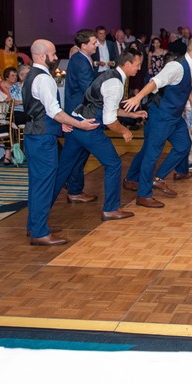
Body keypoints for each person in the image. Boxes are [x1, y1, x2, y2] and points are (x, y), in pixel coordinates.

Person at [22, 39, 98, 245]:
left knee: (37, 184)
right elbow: (54, 110)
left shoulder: (31, 76)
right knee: (43, 185)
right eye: (53, 54)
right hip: (42, 139)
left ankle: (35, 225)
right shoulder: (44, 79)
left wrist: (59, 125)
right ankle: (39, 232)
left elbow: (39, 110)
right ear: (41, 56)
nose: (56, 58)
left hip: (35, 134)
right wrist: (78, 124)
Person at [122, 37, 192, 207]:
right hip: (161, 115)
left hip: (174, 116)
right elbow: (155, 82)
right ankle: (143, 195)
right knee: (152, 153)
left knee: (183, 145)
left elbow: (185, 86)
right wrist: (138, 97)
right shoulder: (175, 67)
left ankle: (156, 178)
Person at [58, 50, 146, 222]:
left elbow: (106, 107)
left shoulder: (109, 75)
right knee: (113, 164)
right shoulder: (115, 84)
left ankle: (40, 214)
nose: (139, 68)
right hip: (89, 129)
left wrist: (131, 115)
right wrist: (124, 131)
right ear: (127, 64)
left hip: (76, 124)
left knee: (64, 169)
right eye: (137, 65)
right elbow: (109, 120)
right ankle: (111, 209)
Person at [62, 29, 101, 204]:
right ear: (84, 45)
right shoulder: (80, 61)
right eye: (94, 42)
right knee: (76, 154)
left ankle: (74, 188)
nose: (97, 44)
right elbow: (89, 88)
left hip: (78, 111)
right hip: (79, 113)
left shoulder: (82, 59)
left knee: (78, 154)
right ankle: (73, 189)